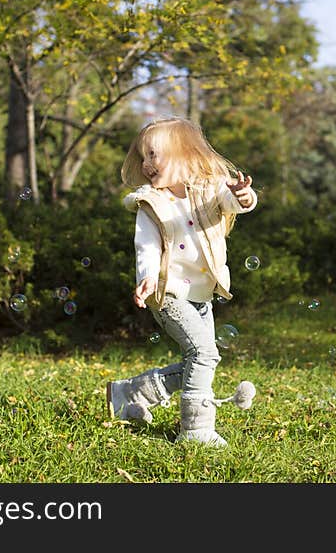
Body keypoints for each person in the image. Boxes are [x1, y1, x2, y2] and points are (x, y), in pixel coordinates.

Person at [106, 116, 258, 446]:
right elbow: (145, 245)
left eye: (153, 155)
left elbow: (234, 202)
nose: (146, 164)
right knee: (204, 354)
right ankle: (195, 429)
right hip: (168, 292)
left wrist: (243, 196)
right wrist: (147, 278)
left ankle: (129, 392)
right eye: (142, 156)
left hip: (201, 295)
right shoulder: (150, 203)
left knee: (201, 358)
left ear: (185, 154)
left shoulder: (210, 188)